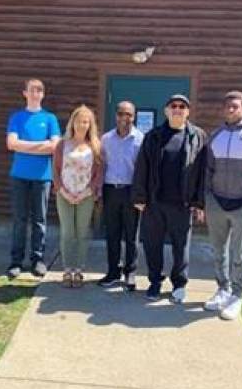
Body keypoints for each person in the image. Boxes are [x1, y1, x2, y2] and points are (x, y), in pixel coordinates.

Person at [132, 94, 206, 303]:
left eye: (182, 106)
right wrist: (139, 196)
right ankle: (155, 282)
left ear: (188, 112)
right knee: (152, 245)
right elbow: (142, 168)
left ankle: (179, 285)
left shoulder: (198, 136)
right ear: (166, 111)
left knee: (181, 247)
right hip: (155, 202)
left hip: (182, 204)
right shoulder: (154, 136)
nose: (178, 109)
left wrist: (199, 202)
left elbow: (202, 172)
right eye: (173, 106)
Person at [203, 90, 242, 320]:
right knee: (218, 250)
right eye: (228, 107)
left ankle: (237, 295)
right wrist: (208, 198)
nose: (231, 110)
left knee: (239, 252)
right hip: (217, 203)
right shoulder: (215, 136)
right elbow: (208, 170)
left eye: (236, 107)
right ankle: (223, 289)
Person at [6, 79, 61, 278]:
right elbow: (11, 144)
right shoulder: (17, 117)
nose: (36, 94)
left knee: (40, 220)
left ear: (43, 94)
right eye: (32, 90)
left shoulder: (50, 119)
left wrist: (24, 146)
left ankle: (37, 260)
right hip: (19, 176)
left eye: (39, 91)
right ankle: (16, 261)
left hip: (42, 177)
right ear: (25, 93)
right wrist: (40, 146)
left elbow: (55, 146)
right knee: (20, 220)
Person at [53, 105, 103, 288]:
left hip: (86, 195)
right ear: (72, 122)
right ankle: (67, 270)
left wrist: (86, 192)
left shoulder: (95, 146)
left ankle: (79, 270)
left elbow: (99, 174)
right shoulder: (62, 144)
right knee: (67, 232)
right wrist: (64, 191)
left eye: (86, 121)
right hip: (64, 194)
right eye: (79, 121)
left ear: (90, 125)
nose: (82, 125)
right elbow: (56, 171)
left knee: (82, 233)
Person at [98, 101, 144, 291]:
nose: (124, 118)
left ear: (134, 117)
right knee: (112, 234)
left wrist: (142, 196)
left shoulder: (141, 139)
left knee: (132, 235)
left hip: (131, 192)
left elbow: (143, 171)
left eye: (129, 114)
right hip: (110, 190)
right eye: (121, 114)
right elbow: (101, 167)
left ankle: (130, 272)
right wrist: (100, 192)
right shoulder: (106, 139)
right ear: (116, 115)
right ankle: (113, 271)